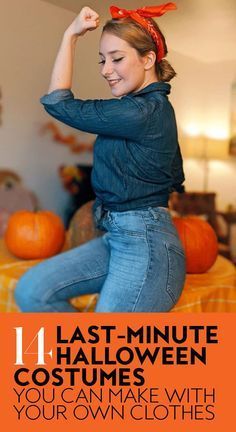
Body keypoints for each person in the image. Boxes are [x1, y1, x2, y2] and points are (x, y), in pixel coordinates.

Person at [15, 3, 186, 313]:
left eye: (117, 58)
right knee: (32, 291)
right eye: (102, 60)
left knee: (105, 346)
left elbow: (58, 103)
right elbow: (174, 173)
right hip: (117, 236)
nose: (106, 70)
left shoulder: (144, 111)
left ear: (148, 59)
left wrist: (70, 35)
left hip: (144, 245)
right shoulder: (146, 111)